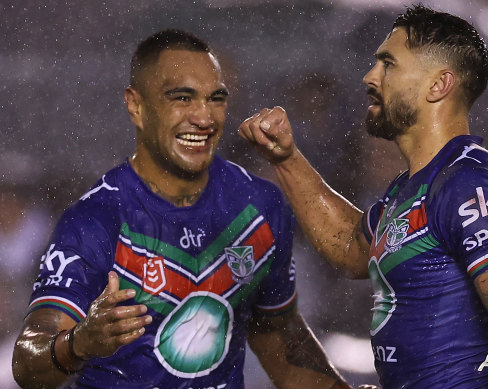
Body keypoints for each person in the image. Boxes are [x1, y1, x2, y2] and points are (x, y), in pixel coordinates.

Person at [238, 5, 488, 389]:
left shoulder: (471, 185)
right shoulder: (410, 189)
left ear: (439, 85)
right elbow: (349, 246)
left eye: (388, 64)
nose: (370, 76)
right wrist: (287, 160)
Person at [11, 29, 352, 389]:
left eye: (215, 99)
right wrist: (78, 343)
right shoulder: (96, 219)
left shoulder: (258, 206)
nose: (204, 118)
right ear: (136, 106)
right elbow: (27, 364)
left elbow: (278, 336)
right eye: (182, 98)